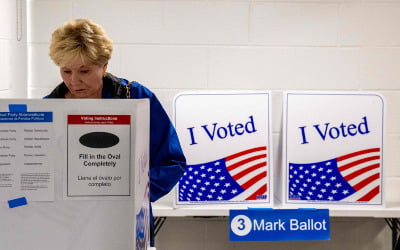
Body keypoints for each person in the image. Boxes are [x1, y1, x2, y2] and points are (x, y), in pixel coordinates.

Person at [45, 18, 186, 247]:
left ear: (104, 65)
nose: (74, 81)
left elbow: (172, 162)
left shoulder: (137, 97)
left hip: (127, 223)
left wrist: (135, 196)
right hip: (68, 225)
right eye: (66, 70)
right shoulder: (47, 109)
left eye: (84, 70)